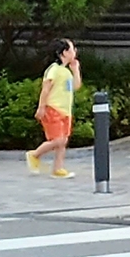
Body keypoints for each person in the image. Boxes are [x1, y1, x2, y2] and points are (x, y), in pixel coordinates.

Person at [30, 40, 80, 178]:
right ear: (64, 52)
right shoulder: (54, 69)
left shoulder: (66, 71)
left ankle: (58, 168)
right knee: (57, 140)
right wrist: (41, 107)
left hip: (65, 111)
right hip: (53, 109)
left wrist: (76, 70)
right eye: (72, 49)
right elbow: (45, 90)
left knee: (63, 141)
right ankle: (35, 154)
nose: (75, 51)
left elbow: (75, 86)